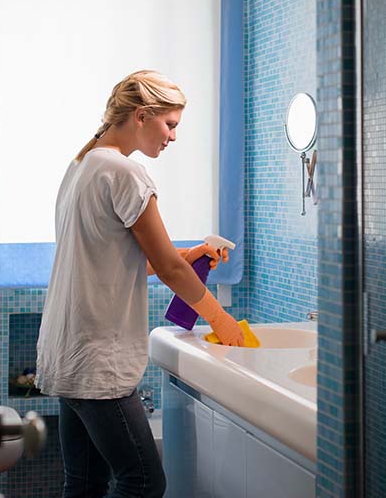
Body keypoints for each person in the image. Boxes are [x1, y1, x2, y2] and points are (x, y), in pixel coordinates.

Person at [35, 70, 244, 498]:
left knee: (86, 483)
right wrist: (221, 319)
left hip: (68, 351)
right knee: (144, 481)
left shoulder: (82, 165)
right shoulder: (125, 172)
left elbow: (111, 261)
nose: (172, 137)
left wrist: (189, 256)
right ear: (143, 115)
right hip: (98, 360)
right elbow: (166, 269)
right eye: (170, 125)